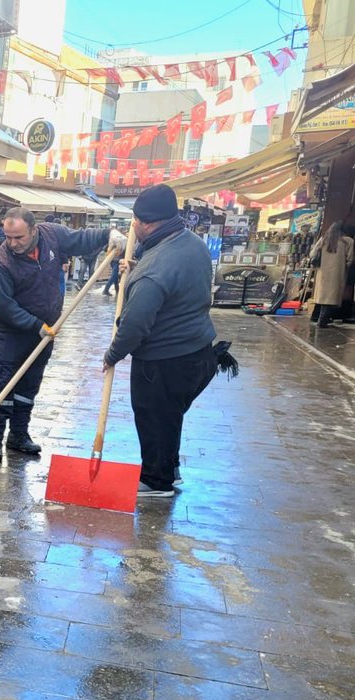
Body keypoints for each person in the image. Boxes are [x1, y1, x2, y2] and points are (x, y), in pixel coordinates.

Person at [102, 184, 237, 498]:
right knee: (169, 416)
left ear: (147, 223)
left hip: (164, 360)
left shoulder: (155, 268)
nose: (133, 225)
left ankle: (156, 480)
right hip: (198, 353)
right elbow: (174, 280)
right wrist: (136, 270)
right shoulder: (191, 242)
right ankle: (169, 467)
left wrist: (112, 355)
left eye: (135, 220)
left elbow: (135, 324)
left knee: (154, 417)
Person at [0, 207, 126, 463]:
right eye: (8, 237)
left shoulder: (51, 235)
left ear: (33, 230)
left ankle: (18, 435)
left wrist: (109, 234)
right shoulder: (1, 262)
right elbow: (4, 307)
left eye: (19, 237)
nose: (12, 243)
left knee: (29, 384)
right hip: (12, 332)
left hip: (47, 330)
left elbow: (80, 239)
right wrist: (36, 324)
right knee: (2, 384)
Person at [312, 222, 354, 329]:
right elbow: (350, 259)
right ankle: (323, 320)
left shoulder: (323, 240)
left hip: (322, 273)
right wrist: (343, 267)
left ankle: (321, 319)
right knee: (331, 298)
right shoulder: (348, 241)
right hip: (337, 273)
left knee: (324, 297)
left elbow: (312, 254)